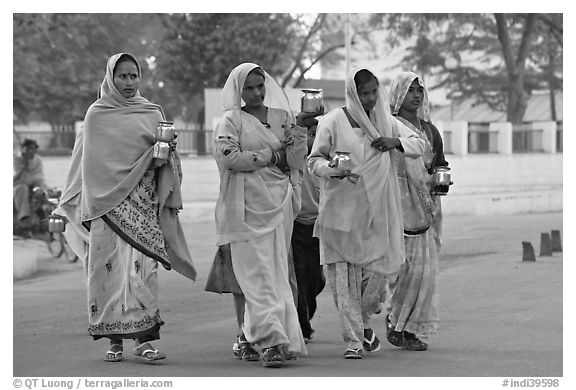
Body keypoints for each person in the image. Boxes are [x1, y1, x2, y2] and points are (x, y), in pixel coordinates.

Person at [53, 53, 196, 363]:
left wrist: (166, 155)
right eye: (123, 76)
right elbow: (90, 167)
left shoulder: (152, 112)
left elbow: (165, 163)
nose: (129, 82)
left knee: (144, 272)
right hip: (106, 208)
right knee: (110, 273)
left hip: (144, 206)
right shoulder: (97, 114)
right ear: (111, 78)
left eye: (134, 76)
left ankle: (145, 341)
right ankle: (115, 339)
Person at [307, 67, 425, 359]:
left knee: (376, 276)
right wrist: (333, 168)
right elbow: (314, 161)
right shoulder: (333, 121)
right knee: (342, 278)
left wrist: (394, 142)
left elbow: (418, 143)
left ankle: (361, 325)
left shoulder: (386, 121)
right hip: (340, 210)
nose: (370, 98)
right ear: (352, 93)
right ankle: (353, 341)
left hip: (377, 212)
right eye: (364, 93)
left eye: (374, 91)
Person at [213, 62, 316, 368]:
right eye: (249, 87)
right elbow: (229, 157)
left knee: (274, 274)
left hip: (279, 203)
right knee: (255, 276)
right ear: (238, 90)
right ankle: (270, 341)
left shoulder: (283, 118)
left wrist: (299, 127)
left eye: (260, 86)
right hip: (245, 207)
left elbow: (296, 161)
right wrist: (270, 156)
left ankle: (272, 337)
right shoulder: (230, 121)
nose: (256, 92)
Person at [385, 71, 449, 351]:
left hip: (426, 205)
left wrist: (441, 179)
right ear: (398, 95)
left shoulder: (430, 131)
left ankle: (409, 330)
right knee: (401, 268)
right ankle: (393, 320)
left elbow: (439, 165)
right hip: (395, 204)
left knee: (424, 271)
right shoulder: (388, 127)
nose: (416, 95)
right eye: (410, 90)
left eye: (419, 90)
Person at [291, 117, 326, 344]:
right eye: (309, 134)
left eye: (317, 134)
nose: (313, 139)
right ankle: (302, 326)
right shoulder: (295, 160)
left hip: (318, 227)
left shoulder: (323, 163)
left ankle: (305, 317)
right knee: (299, 278)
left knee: (316, 279)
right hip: (295, 226)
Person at [13, 138, 47, 233]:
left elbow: (39, 176)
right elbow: (17, 177)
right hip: (21, 183)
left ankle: (41, 213)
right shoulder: (17, 158)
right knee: (22, 189)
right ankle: (24, 216)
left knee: (40, 188)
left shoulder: (38, 160)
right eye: (29, 149)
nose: (32, 151)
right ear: (24, 149)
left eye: (33, 149)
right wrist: (25, 162)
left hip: (35, 183)